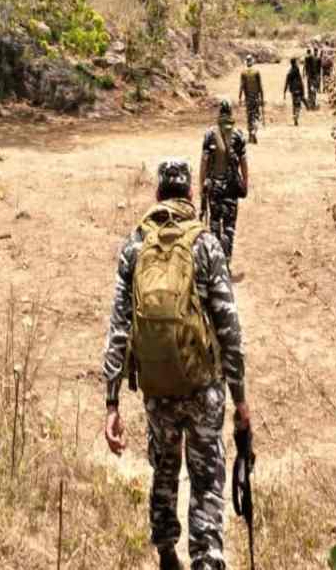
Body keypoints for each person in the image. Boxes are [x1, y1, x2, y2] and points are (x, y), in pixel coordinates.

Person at [102, 157, 251, 570]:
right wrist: (240, 399)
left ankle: (167, 548)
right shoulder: (206, 244)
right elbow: (229, 328)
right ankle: (206, 557)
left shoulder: (134, 246)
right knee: (206, 478)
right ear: (190, 194)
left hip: (156, 387)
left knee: (164, 467)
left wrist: (111, 403)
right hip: (204, 387)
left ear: (156, 195)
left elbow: (118, 327)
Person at [200, 99, 250, 266]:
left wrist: (201, 186)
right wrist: (245, 183)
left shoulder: (210, 134)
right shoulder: (238, 135)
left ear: (219, 113)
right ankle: (227, 259)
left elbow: (204, 162)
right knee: (229, 225)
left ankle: (216, 262)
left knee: (214, 223)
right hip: (231, 187)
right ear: (231, 114)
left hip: (214, 186)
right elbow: (243, 163)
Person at [237, 55, 264, 145]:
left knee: (249, 117)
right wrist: (262, 98)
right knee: (256, 116)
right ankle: (254, 132)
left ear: (246, 62)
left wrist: (240, 98)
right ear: (252, 61)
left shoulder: (243, 73)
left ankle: (250, 135)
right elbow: (260, 86)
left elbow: (241, 86)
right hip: (256, 98)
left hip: (248, 99)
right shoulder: (257, 72)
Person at [283, 57, 306, 126]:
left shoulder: (289, 72)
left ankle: (295, 117)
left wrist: (284, 92)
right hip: (298, 89)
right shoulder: (297, 70)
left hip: (293, 90)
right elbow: (300, 81)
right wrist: (303, 90)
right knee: (298, 105)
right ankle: (296, 116)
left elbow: (286, 82)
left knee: (294, 104)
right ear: (295, 63)